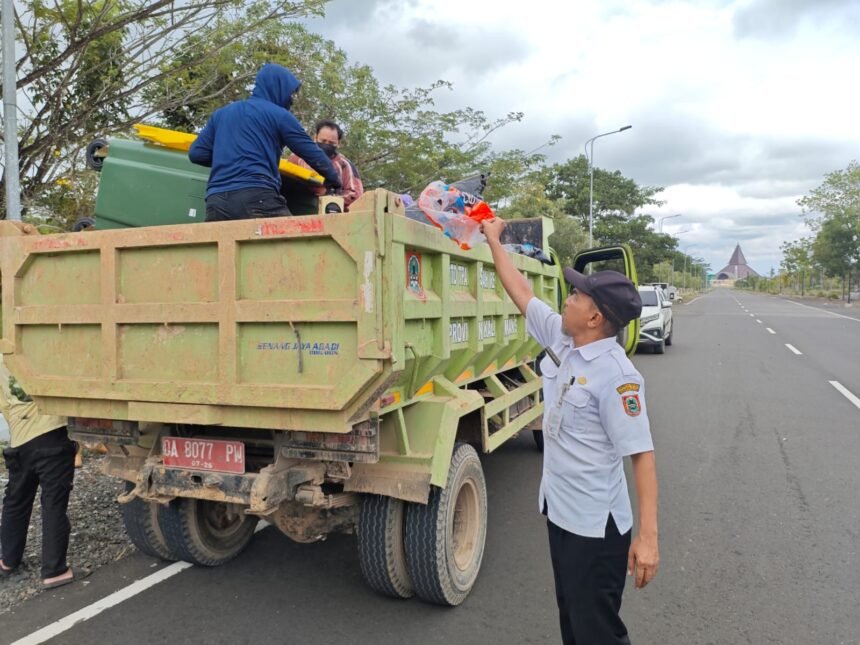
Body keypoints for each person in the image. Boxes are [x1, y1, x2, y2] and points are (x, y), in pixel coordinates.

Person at [481, 216, 660, 645]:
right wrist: (493, 241)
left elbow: (642, 454)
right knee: (571, 622)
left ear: (595, 316)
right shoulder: (564, 341)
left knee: (597, 631)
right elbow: (521, 292)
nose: (568, 298)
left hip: (595, 529)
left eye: (577, 295)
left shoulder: (619, 377)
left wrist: (648, 538)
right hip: (560, 514)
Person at [189, 63, 342, 222]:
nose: (291, 99)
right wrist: (334, 179)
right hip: (257, 197)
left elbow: (197, 154)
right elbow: (311, 152)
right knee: (296, 243)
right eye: (290, 93)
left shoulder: (221, 114)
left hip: (216, 201)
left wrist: (230, 158)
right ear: (279, 88)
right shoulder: (279, 116)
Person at [0, 357, 77, 589]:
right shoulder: (41, 349)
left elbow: (4, 405)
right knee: (53, 503)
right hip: (51, 433)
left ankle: (8, 560)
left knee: (16, 500)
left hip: (20, 439)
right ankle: (55, 570)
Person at [287, 119, 364, 210]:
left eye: (331, 143)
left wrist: (328, 195)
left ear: (338, 143)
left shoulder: (344, 164)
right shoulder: (297, 158)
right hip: (297, 211)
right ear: (315, 138)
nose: (326, 145)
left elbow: (355, 195)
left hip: (331, 215)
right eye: (323, 141)